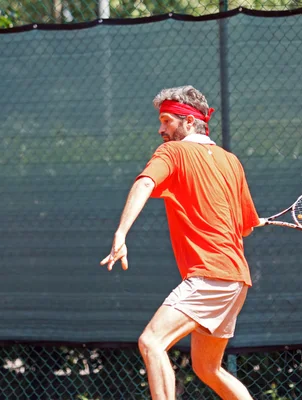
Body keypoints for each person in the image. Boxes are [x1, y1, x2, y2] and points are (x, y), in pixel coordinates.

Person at [100, 85, 260, 400]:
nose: (161, 129)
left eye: (167, 121)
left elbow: (145, 182)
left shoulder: (172, 152)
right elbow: (245, 230)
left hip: (209, 275)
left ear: (188, 122)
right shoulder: (231, 161)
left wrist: (121, 232)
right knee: (207, 368)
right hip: (236, 280)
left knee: (152, 342)